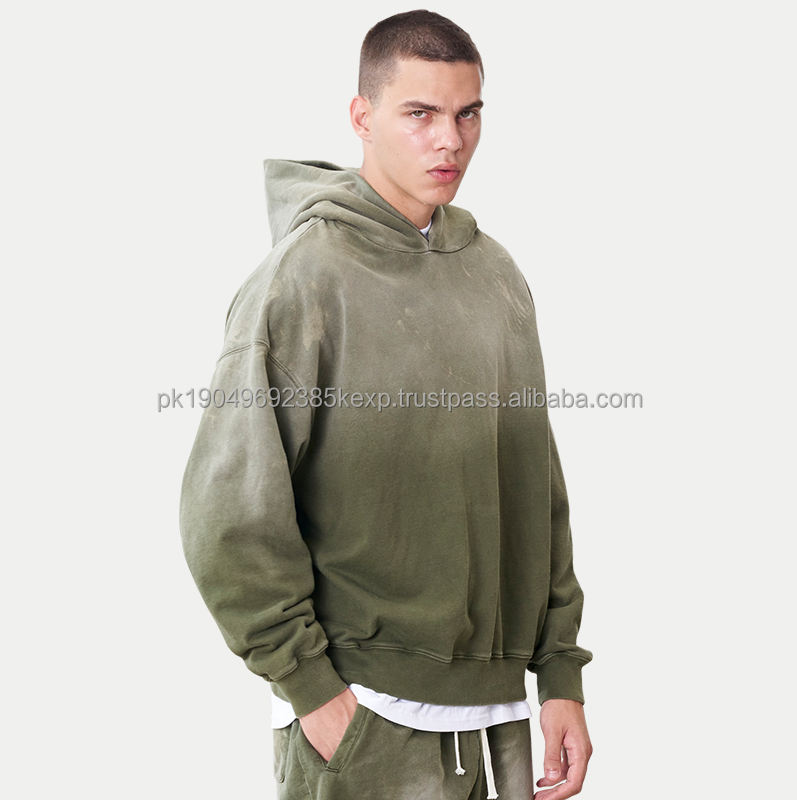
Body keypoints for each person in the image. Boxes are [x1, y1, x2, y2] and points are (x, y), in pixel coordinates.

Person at [179, 9, 594, 800]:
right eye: (421, 114)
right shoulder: (303, 278)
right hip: (364, 715)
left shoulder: (496, 276)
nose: (450, 141)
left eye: (468, 114)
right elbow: (226, 514)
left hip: (497, 719)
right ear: (361, 117)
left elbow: (534, 487)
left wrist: (559, 673)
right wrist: (311, 689)